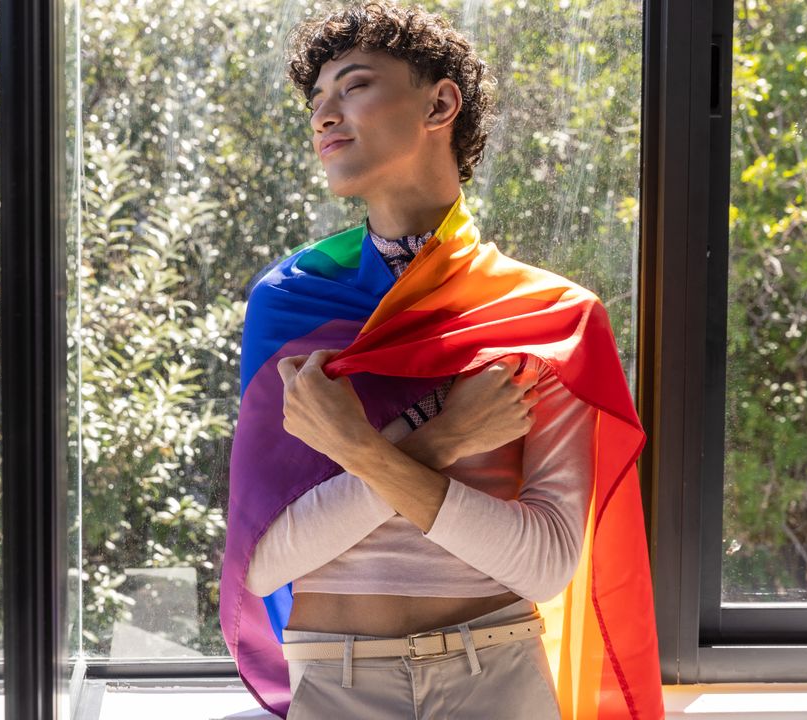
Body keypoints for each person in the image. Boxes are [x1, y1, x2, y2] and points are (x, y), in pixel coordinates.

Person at [219, 2, 663, 718]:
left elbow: (544, 565)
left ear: (440, 103)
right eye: (317, 100)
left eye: (353, 85)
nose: (324, 115)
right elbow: (265, 559)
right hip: (335, 684)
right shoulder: (293, 304)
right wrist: (443, 438)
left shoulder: (547, 318)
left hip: (498, 677)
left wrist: (361, 452)